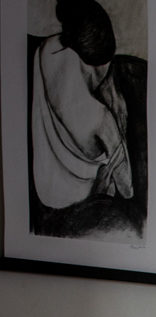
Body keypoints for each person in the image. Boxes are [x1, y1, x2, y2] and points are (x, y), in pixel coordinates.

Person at [31, 0, 133, 212]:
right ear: (102, 64)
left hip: (44, 185)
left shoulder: (47, 50)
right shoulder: (102, 121)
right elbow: (127, 190)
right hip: (77, 201)